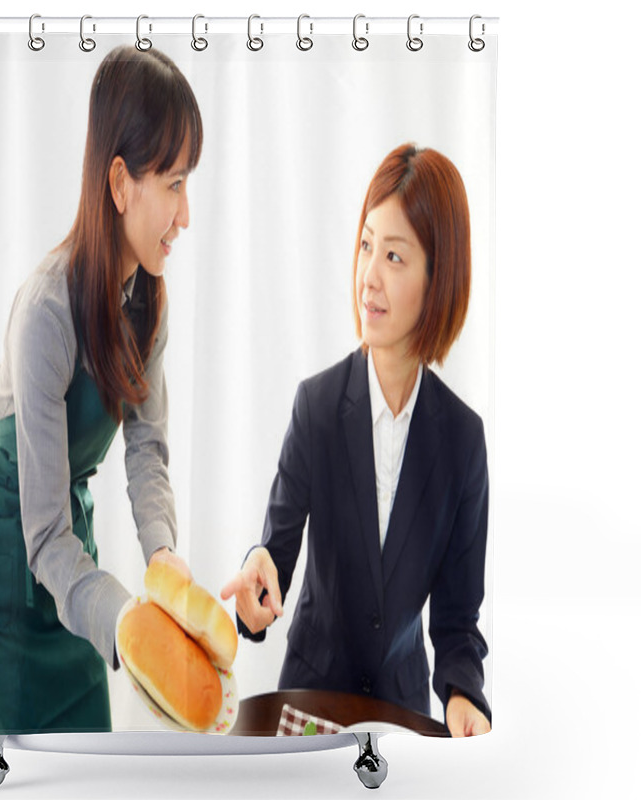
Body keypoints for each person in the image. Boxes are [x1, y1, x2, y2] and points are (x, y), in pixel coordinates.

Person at [0, 45, 201, 735]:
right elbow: (42, 538)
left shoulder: (149, 297)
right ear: (121, 184)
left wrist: (162, 557)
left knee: (89, 752)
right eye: (176, 184)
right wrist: (127, 621)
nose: (186, 217)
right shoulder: (47, 311)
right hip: (12, 554)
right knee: (31, 765)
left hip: (73, 550)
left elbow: (147, 446)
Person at [222, 144, 492, 737]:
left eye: (394, 255)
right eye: (366, 244)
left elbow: (456, 620)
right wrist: (256, 575)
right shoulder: (317, 406)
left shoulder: (463, 442)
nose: (368, 275)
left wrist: (463, 695)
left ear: (438, 276)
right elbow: (275, 554)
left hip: (401, 716)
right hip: (306, 708)